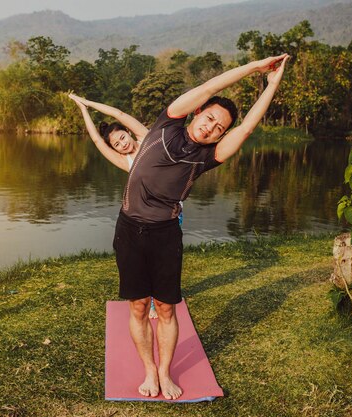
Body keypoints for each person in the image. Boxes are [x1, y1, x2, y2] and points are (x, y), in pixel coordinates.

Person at [114, 54, 289, 400]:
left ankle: (164, 373)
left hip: (165, 235)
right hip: (129, 229)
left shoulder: (207, 157)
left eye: (218, 128)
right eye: (209, 118)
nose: (210, 128)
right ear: (197, 112)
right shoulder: (169, 121)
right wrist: (255, 68)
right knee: (138, 306)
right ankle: (148, 369)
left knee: (165, 308)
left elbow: (248, 127)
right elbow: (210, 86)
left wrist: (272, 85)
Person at [68, 93, 160, 319]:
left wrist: (89, 101)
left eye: (122, 137)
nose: (122, 144)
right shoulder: (125, 161)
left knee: (163, 258)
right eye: (117, 144)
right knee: (147, 257)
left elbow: (119, 114)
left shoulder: (147, 139)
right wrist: (83, 111)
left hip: (170, 211)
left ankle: (160, 297)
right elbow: (98, 141)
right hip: (144, 215)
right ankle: (150, 302)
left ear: (128, 131)